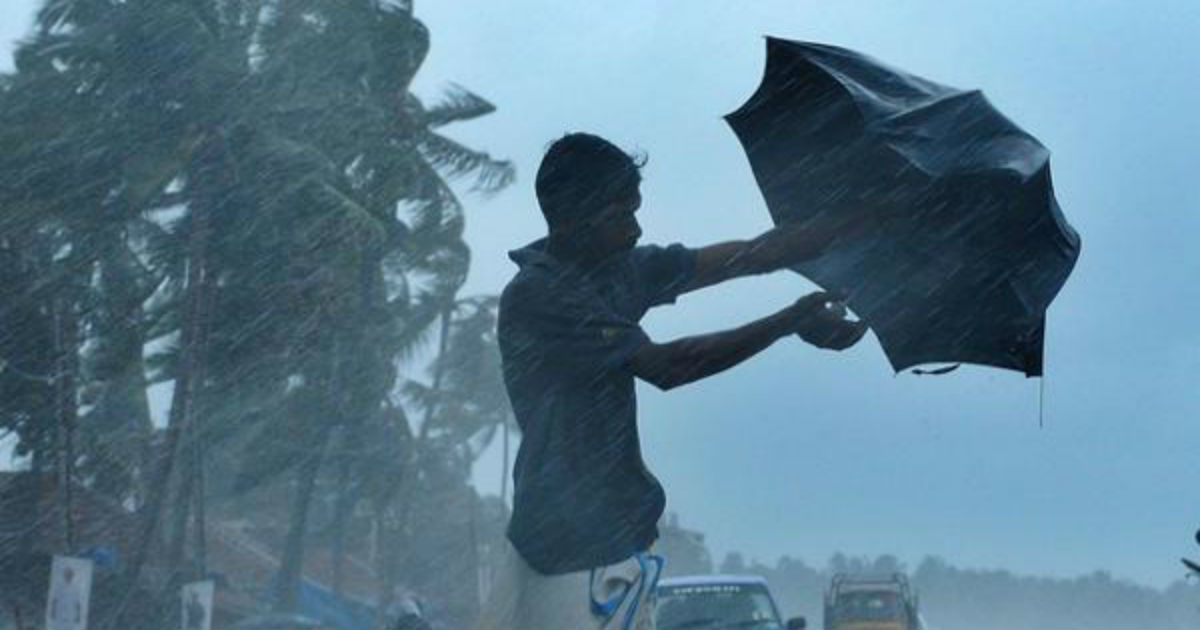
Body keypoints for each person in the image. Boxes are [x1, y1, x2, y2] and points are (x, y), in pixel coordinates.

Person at [480, 133, 873, 630]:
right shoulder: (542, 295)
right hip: (565, 551)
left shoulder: (613, 270)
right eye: (620, 215)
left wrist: (876, 219)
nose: (635, 229)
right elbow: (668, 366)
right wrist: (787, 322)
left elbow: (754, 254)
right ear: (574, 219)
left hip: (615, 541)